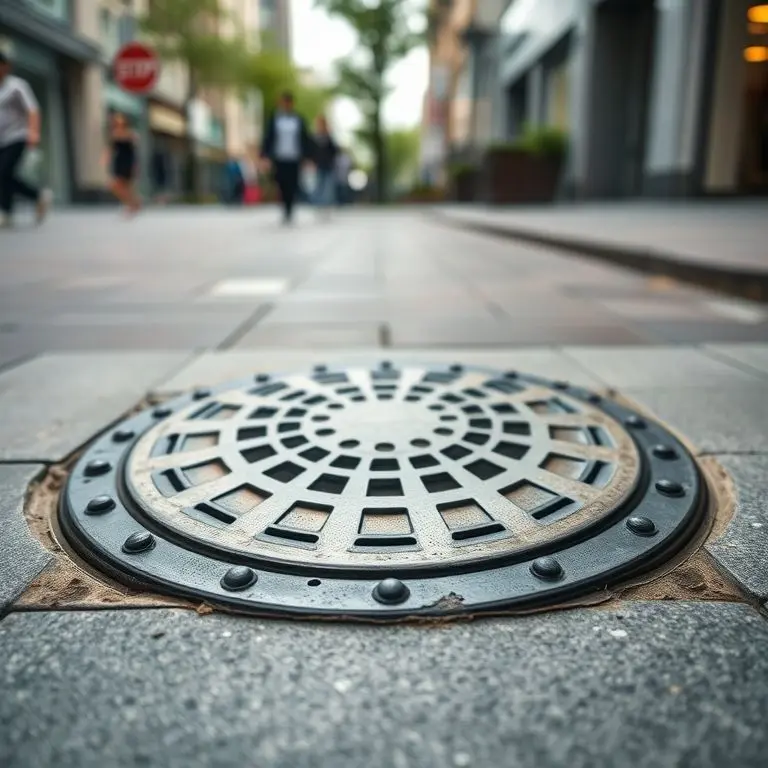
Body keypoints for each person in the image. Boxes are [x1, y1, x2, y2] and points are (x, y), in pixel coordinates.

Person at [0, 51, 48, 228]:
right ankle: (37, 196)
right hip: (1, 139)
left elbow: (33, 110)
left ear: (5, 66)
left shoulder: (17, 86)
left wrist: (34, 133)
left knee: (4, 172)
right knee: (5, 175)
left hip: (18, 136)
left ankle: (6, 212)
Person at [260, 91, 314, 224]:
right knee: (281, 183)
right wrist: (264, 156)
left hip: (294, 158)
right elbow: (268, 138)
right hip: (279, 157)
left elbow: (305, 139)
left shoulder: (298, 119)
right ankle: (285, 208)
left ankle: (290, 209)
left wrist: (308, 157)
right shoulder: (275, 119)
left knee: (293, 184)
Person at [102, 111, 140, 216]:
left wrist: (135, 165)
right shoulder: (114, 134)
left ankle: (132, 205)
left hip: (128, 161)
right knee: (115, 185)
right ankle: (133, 203)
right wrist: (105, 159)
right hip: (119, 161)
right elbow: (110, 148)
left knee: (128, 185)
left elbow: (134, 148)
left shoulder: (130, 133)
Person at [311, 115, 338, 217]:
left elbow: (334, 151)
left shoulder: (329, 137)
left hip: (328, 165)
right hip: (318, 165)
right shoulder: (314, 137)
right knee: (318, 186)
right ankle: (318, 205)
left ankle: (326, 206)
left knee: (328, 187)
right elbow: (311, 151)